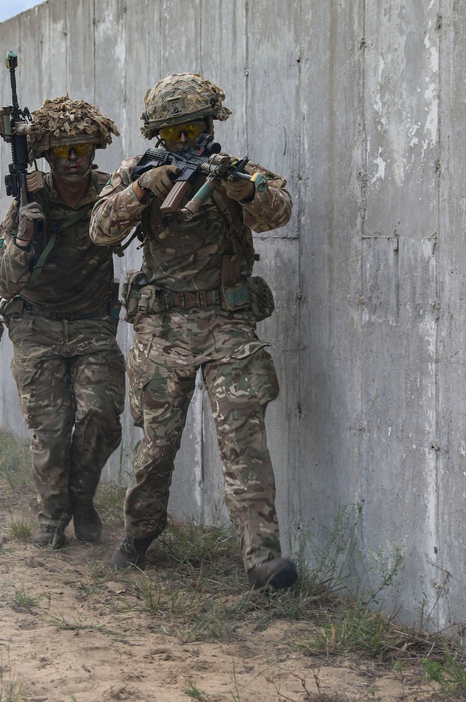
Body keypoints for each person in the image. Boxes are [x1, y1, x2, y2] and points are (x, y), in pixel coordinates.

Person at [89, 73, 297, 590]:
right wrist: (140, 190)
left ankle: (263, 558)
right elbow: (99, 229)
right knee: (156, 448)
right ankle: (138, 535)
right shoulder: (137, 172)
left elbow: (277, 211)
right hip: (162, 331)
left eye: (192, 131)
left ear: (209, 126)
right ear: (159, 136)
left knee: (242, 441)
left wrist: (242, 189)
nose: (183, 142)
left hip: (228, 326)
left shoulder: (235, 172)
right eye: (173, 134)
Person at [0, 96, 125, 549]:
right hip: (37, 326)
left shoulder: (109, 194)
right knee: (50, 430)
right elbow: (6, 282)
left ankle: (82, 498)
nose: (73, 160)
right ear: (48, 155)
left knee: (101, 417)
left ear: (94, 152)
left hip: (91, 325)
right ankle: (52, 516)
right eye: (64, 152)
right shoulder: (27, 200)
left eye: (82, 150)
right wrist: (25, 236)